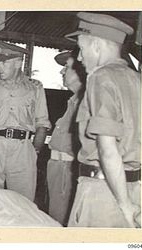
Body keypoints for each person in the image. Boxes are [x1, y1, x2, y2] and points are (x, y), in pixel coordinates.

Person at [65, 12, 141, 227]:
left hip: (106, 193)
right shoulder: (138, 80)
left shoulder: (100, 77)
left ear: (96, 45)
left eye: (81, 48)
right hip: (135, 187)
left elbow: (108, 149)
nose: (79, 57)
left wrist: (124, 204)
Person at [0, 41, 51, 201]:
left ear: (18, 62)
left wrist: (34, 151)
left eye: (4, 62)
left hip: (23, 149)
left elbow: (42, 123)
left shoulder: (35, 88)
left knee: (23, 202)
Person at [46, 49, 86, 226]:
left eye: (66, 68)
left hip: (67, 170)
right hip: (58, 168)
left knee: (60, 221)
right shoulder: (73, 101)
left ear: (80, 72)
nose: (62, 71)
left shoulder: (85, 102)